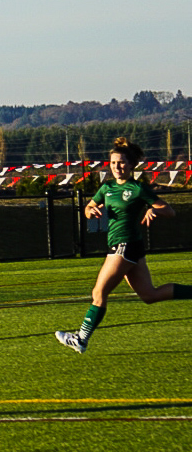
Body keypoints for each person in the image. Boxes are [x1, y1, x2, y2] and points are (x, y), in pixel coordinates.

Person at [55, 137, 191, 354]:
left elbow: (170, 210)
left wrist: (154, 210)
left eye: (121, 163)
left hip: (124, 245)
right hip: (128, 247)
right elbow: (89, 207)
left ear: (131, 165)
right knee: (149, 295)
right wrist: (91, 211)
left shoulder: (137, 188)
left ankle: (81, 339)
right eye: (113, 163)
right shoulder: (107, 187)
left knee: (99, 292)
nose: (117, 167)